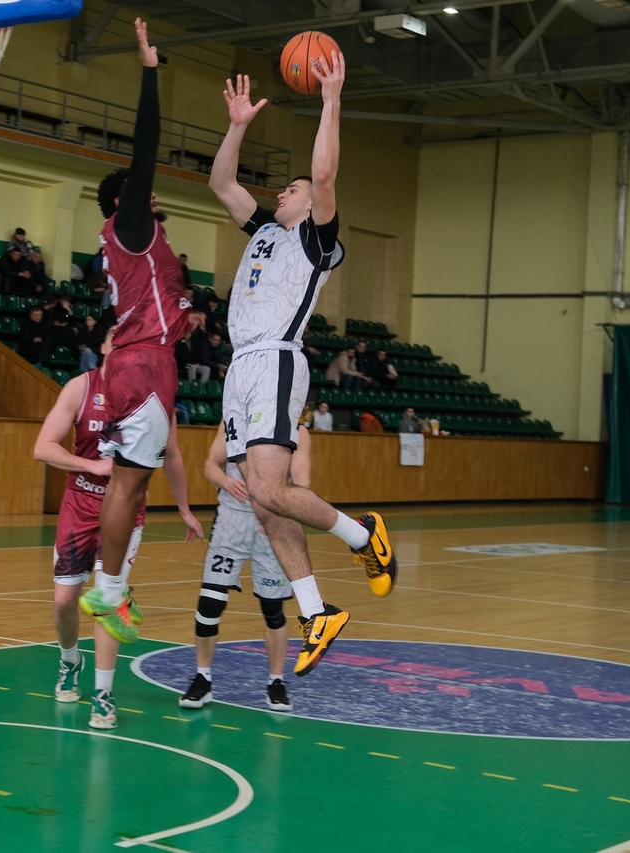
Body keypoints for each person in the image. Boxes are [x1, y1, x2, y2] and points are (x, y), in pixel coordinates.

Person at [208, 60, 396, 676]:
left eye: (291, 189)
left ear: (312, 202)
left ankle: (363, 536)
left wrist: (331, 97)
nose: (282, 193)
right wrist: (237, 126)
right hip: (241, 367)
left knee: (268, 491)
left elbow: (324, 173)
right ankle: (317, 611)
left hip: (276, 361)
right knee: (264, 504)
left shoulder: (315, 239)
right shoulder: (264, 230)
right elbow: (220, 182)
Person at [78, 19, 197, 671]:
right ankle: (110, 589)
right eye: (140, 186)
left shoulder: (135, 243)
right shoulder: (129, 225)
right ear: (122, 199)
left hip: (139, 360)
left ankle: (111, 586)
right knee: (128, 487)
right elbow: (145, 144)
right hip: (146, 366)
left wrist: (184, 316)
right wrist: (150, 72)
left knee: (130, 483)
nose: (151, 188)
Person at [35, 326, 202, 728]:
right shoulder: (80, 387)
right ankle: (69, 660)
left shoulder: (155, 395)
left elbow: (173, 456)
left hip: (127, 509)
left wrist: (184, 507)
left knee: (108, 600)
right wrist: (92, 465)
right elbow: (43, 447)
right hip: (80, 503)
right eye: (118, 338)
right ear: (105, 346)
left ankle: (103, 694)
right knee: (64, 600)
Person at [181, 422, 312, 712]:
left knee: (273, 610)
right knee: (209, 605)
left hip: (271, 525)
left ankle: (276, 682)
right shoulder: (233, 419)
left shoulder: (297, 431)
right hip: (232, 521)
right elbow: (210, 465)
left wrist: (282, 511)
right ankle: (202, 678)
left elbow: (301, 481)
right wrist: (227, 482)